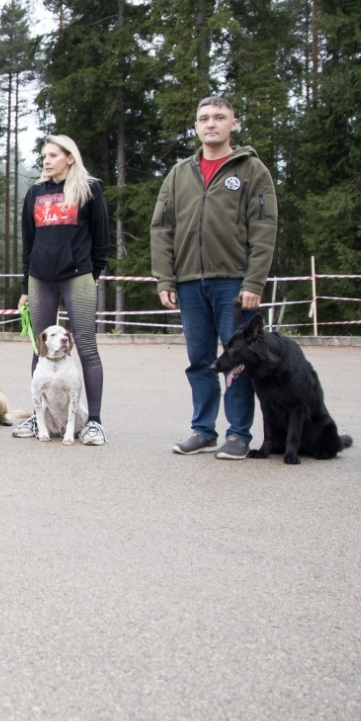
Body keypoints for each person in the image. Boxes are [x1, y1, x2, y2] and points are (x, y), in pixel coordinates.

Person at [151, 95, 280, 460]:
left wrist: (254, 283)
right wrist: (166, 279)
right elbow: (161, 228)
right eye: (204, 118)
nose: (211, 123)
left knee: (238, 361)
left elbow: (265, 228)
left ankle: (238, 434)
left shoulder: (253, 170)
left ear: (233, 124)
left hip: (234, 282)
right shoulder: (180, 173)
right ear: (196, 126)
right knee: (199, 361)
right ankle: (202, 430)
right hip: (190, 281)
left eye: (219, 117)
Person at [13, 134, 112, 445]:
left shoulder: (89, 189)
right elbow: (28, 242)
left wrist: (92, 273)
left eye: (53, 155)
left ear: (70, 157)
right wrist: (25, 286)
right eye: (44, 155)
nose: (46, 160)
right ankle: (37, 416)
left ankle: (93, 421)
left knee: (85, 346)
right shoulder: (35, 193)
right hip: (40, 278)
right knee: (38, 348)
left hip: (78, 275)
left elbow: (101, 237)